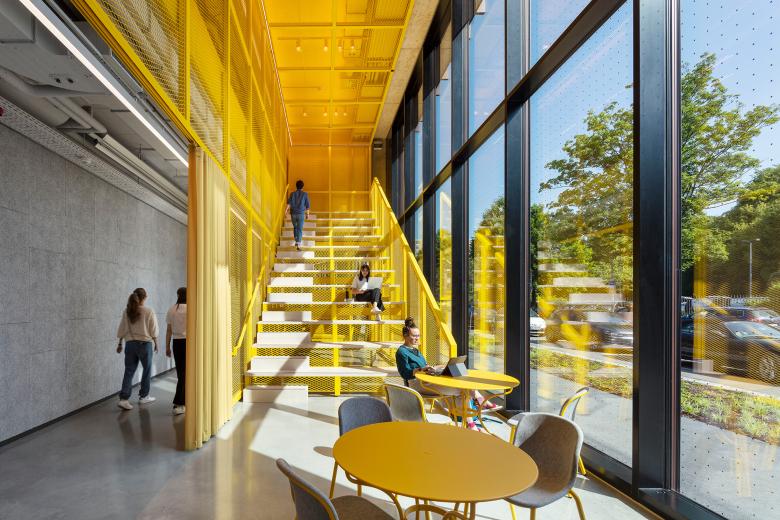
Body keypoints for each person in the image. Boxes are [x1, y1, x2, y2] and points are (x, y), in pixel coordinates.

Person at [395, 317, 495, 430]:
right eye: (414, 336)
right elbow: (404, 373)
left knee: (460, 380)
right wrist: (420, 369)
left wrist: (437, 367)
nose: (417, 338)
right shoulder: (401, 352)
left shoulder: (416, 350)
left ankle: (472, 418)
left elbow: (425, 366)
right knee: (462, 390)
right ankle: (479, 405)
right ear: (405, 336)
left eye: (418, 335)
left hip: (427, 380)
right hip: (418, 384)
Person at [116, 288, 159, 410]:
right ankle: (144, 396)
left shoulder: (127, 311)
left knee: (129, 371)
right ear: (145, 297)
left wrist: (120, 343)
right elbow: (153, 330)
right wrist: (156, 343)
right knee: (147, 370)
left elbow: (122, 328)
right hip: (145, 344)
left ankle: (124, 399)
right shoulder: (149, 311)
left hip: (130, 344)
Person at [165, 287, 187, 415]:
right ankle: (179, 403)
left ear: (178, 295)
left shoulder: (172, 309)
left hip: (176, 343)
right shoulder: (191, 309)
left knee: (180, 373)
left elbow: (169, 330)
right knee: (185, 374)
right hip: (189, 343)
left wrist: (167, 347)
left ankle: (183, 401)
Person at [285, 179, 310, 250]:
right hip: (301, 214)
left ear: (296, 186)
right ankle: (298, 244)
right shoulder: (305, 194)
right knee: (300, 228)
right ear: (303, 186)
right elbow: (307, 206)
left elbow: (289, 203)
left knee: (295, 227)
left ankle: (296, 240)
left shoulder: (292, 194)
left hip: (293, 214)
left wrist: (286, 210)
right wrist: (307, 214)